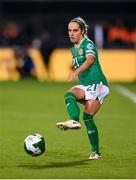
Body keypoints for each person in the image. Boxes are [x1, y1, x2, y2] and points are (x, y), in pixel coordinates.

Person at [56, 17, 110, 160]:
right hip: (86, 85)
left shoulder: (88, 44)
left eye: (75, 30)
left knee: (87, 117)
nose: (71, 33)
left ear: (83, 31)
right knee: (69, 95)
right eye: (69, 30)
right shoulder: (73, 49)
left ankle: (95, 151)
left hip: (97, 84)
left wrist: (76, 72)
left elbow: (90, 60)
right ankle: (74, 120)